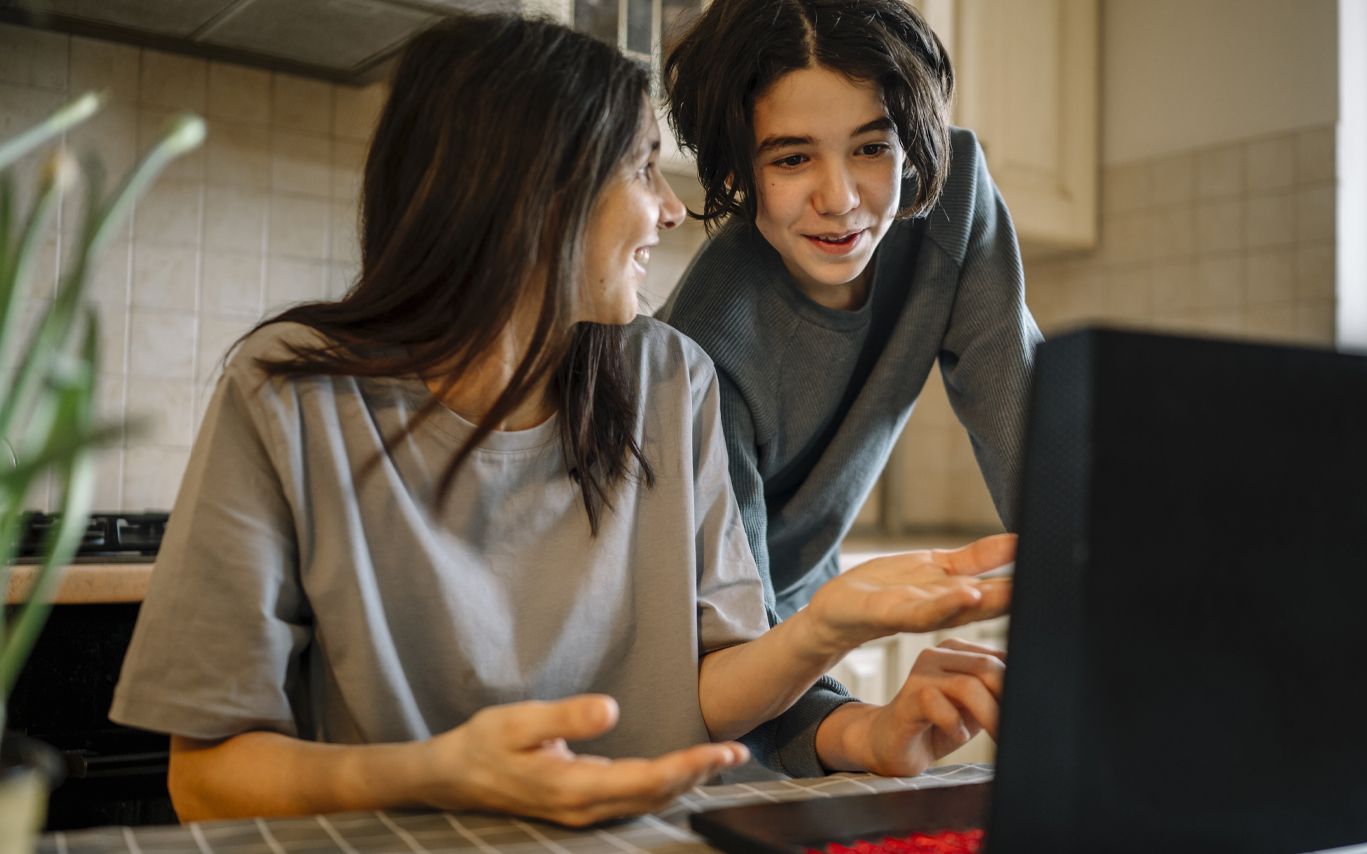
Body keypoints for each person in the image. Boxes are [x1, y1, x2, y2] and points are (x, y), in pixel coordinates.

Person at [110, 13, 1011, 827]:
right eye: (641, 168)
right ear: (528, 192)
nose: (669, 207)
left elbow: (705, 689)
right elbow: (206, 780)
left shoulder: (670, 377)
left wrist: (828, 627)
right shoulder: (289, 394)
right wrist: (440, 773)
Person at [659, 0, 1042, 618]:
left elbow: (1031, 443)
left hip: (816, 597)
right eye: (791, 158)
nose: (839, 200)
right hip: (716, 630)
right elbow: (732, 625)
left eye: (871, 148)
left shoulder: (955, 196)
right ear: (734, 172)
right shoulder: (701, 346)